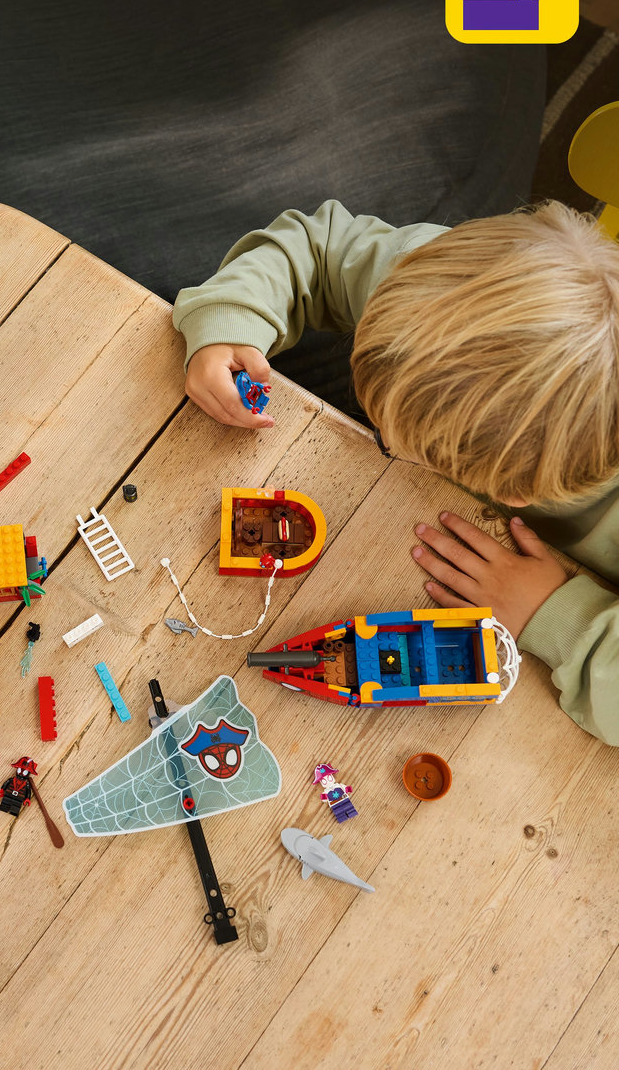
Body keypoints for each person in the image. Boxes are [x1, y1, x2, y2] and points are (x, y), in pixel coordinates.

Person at [174, 198, 619, 743]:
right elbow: (316, 249)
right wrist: (230, 321)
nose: (384, 441)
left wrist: (560, 619)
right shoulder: (435, 286)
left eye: (416, 447)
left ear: (519, 493)